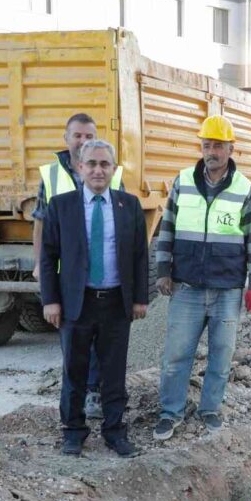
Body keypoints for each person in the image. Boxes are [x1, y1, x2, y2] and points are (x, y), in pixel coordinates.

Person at [152, 115, 251, 440]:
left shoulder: (243, 188)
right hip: (186, 286)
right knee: (176, 356)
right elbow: (167, 228)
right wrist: (163, 270)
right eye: (206, 145)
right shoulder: (183, 181)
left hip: (227, 289)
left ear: (231, 149)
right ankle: (170, 412)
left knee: (221, 356)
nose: (211, 151)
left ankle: (210, 409)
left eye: (218, 145)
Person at [39, 139, 148, 457]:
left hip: (116, 303)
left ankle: (115, 432)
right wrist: (50, 300)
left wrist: (140, 299)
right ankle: (73, 432)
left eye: (104, 164)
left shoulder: (129, 206)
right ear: (80, 167)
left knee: (114, 373)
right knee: (74, 371)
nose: (98, 170)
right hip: (77, 303)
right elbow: (48, 256)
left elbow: (140, 256)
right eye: (92, 164)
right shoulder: (62, 206)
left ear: (113, 169)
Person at [33, 113, 124, 420]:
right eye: (77, 135)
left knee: (103, 347)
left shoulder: (112, 173)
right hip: (68, 278)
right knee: (75, 348)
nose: (83, 141)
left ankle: (95, 393)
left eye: (89, 136)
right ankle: (74, 415)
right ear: (67, 139)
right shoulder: (51, 175)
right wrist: (40, 267)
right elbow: (41, 224)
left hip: (103, 279)